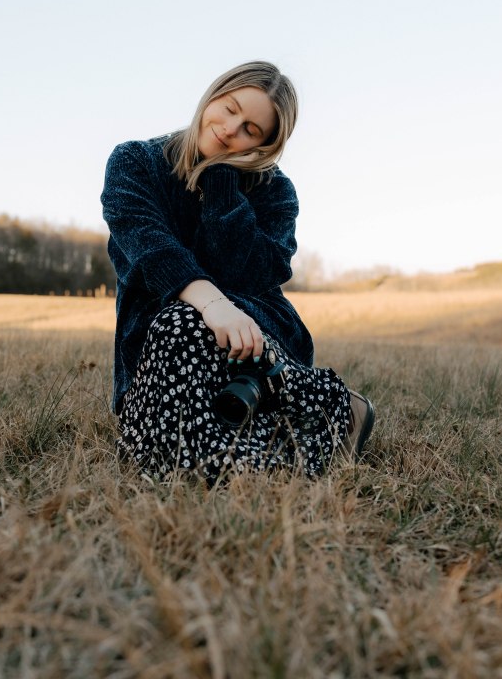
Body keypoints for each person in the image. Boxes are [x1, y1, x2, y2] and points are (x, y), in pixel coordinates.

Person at [101, 61, 374, 484]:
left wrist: (222, 183)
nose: (230, 129)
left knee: (181, 326)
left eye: (250, 130)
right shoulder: (135, 162)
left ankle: (270, 417)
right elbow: (151, 250)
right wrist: (211, 304)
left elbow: (247, 275)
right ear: (213, 95)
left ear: (265, 145)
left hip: (254, 337)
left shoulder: (275, 192)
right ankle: (323, 406)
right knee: (156, 451)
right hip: (159, 344)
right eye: (229, 108)